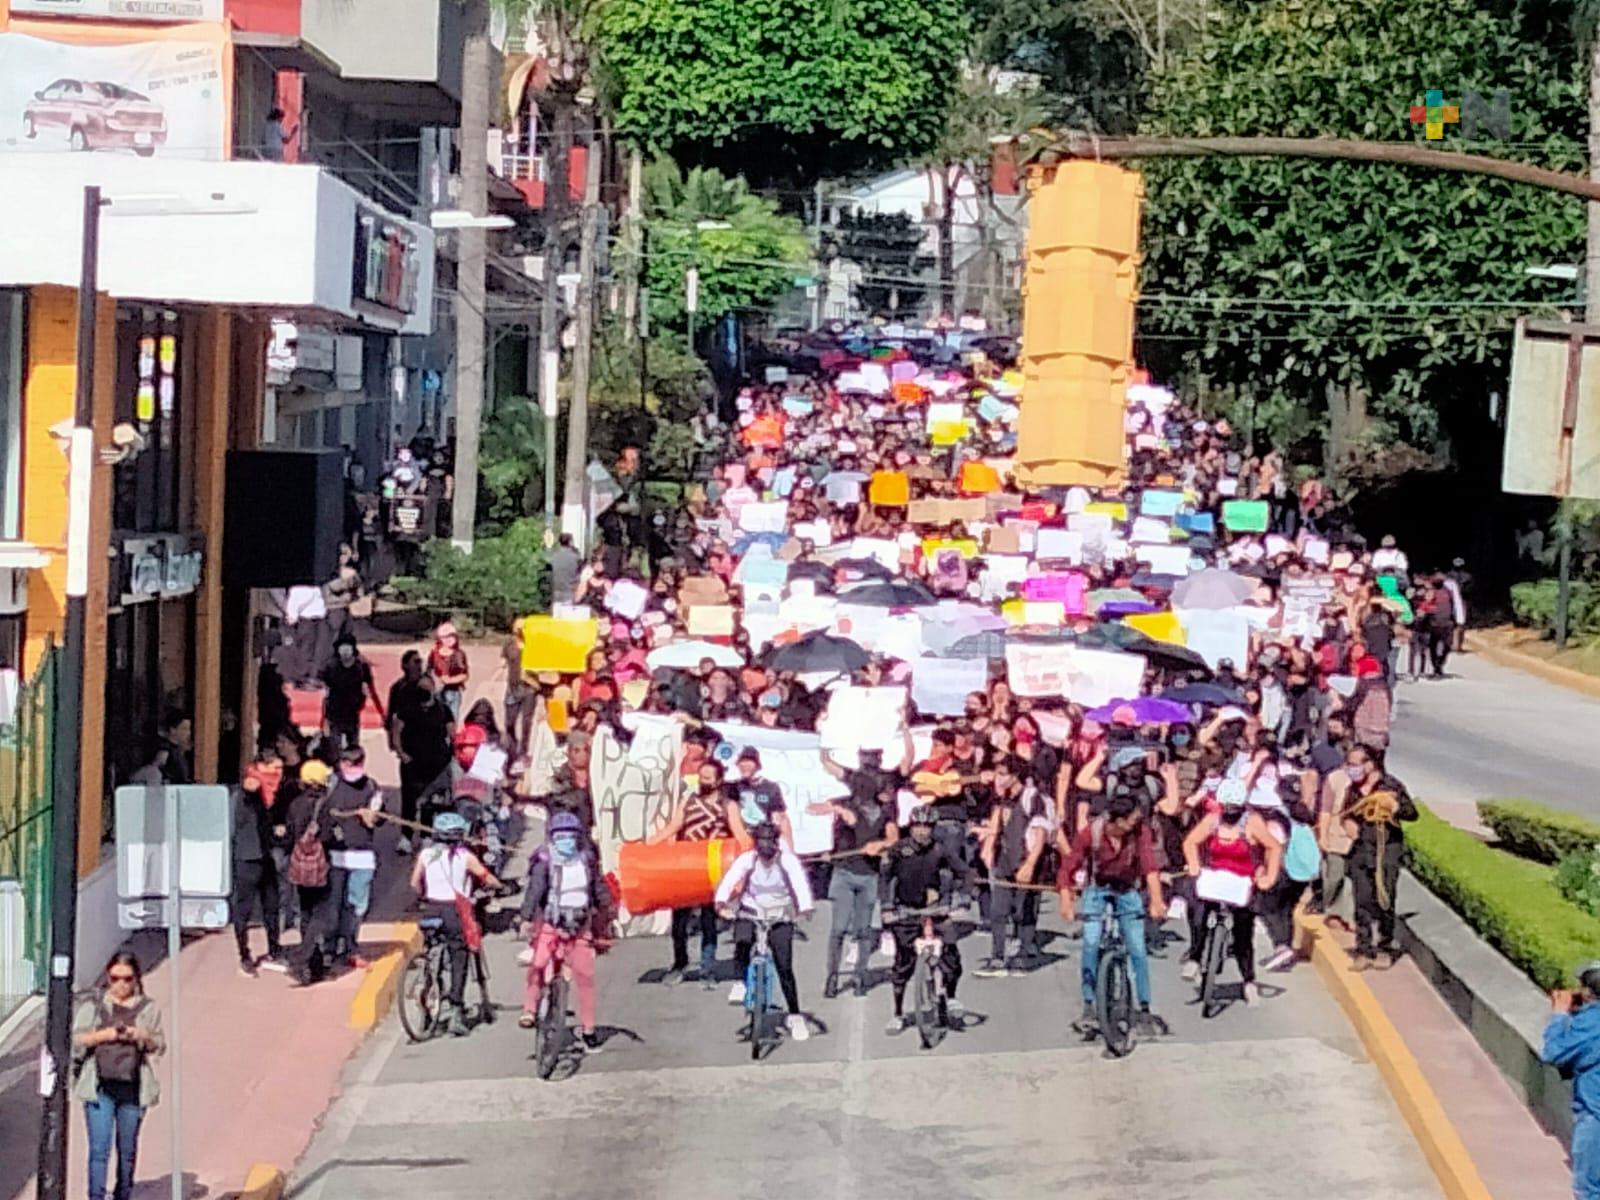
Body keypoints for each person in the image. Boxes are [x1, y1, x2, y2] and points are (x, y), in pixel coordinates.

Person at [1058, 792, 1167, 1035]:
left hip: (1128, 890)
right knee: (1091, 943)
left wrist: (1156, 900)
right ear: (1116, 820)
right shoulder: (1091, 833)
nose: (1135, 824)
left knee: (1138, 949)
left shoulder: (1139, 832)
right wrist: (1066, 901)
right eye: (1130, 820)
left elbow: (1150, 867)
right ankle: (1089, 1006)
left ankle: (1144, 1008)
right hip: (1097, 889)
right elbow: (1067, 867)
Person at [817, 740, 908, 998]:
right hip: (844, 873)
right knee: (838, 929)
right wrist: (826, 740)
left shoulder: (886, 814)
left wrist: (879, 844)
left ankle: (859, 976)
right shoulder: (848, 806)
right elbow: (829, 769)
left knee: (864, 929)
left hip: (869, 875)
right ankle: (832, 977)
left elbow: (893, 839)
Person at [1181, 780, 1282, 1007]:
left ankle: (1248, 981)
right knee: (1197, 913)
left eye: (1235, 809)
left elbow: (1274, 847)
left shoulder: (1252, 823)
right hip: (1215, 877)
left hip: (1243, 880)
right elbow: (1191, 842)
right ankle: (1195, 958)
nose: (1230, 814)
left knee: (1242, 932)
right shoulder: (1213, 820)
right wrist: (1195, 865)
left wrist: (1268, 877)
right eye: (1227, 808)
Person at [73, 951, 165, 1200]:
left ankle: (123, 1194)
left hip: (133, 1089)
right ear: (108, 977)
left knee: (127, 1151)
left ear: (136, 979)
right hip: (99, 1087)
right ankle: (96, 1196)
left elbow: (159, 1045)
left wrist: (141, 1035)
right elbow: (74, 1041)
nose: (121, 985)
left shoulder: (149, 1008)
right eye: (115, 978)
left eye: (127, 979)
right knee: (99, 1151)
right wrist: (104, 1035)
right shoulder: (94, 1005)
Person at [519, 811, 612, 1053]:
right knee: (538, 965)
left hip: (580, 926)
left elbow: (598, 888)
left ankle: (589, 1030)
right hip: (552, 924)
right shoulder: (544, 860)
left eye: (570, 836)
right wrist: (526, 918)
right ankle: (529, 1009)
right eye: (561, 836)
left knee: (585, 978)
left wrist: (608, 909)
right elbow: (535, 890)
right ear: (552, 837)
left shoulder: (587, 860)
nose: (566, 841)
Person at [715, 820, 815, 1042]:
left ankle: (795, 1015)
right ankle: (740, 982)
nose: (766, 846)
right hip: (752, 909)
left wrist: (805, 906)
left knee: (784, 966)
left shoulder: (786, 861)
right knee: (742, 941)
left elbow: (799, 883)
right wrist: (721, 901)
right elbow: (731, 878)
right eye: (761, 841)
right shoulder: (747, 860)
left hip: (779, 914)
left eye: (770, 840)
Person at [411, 811, 502, 1036]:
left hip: (431, 908)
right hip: (455, 910)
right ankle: (456, 1010)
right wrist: (500, 886)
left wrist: (424, 894)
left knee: (432, 949)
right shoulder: (465, 856)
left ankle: (428, 992)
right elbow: (487, 877)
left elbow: (414, 883)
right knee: (458, 957)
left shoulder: (426, 854)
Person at [880, 806, 968, 1034]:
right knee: (902, 965)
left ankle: (951, 997)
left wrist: (962, 898)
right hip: (906, 911)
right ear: (910, 827)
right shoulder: (898, 850)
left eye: (927, 827)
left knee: (952, 957)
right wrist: (887, 907)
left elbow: (965, 873)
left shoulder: (941, 850)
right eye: (918, 826)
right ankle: (898, 1014)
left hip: (936, 909)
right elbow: (885, 879)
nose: (922, 831)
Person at [648, 758, 732, 987]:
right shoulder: (689, 801)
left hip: (712, 871)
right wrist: (647, 846)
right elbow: (673, 827)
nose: (703, 781)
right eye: (701, 776)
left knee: (708, 922)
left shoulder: (727, 806)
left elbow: (737, 836)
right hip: (685, 869)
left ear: (718, 781)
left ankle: (707, 970)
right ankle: (679, 964)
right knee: (679, 922)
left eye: (708, 778)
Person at [1340, 746, 1417, 965]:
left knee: (1385, 899)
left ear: (1369, 764)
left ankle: (1384, 946)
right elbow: (1347, 812)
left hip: (1386, 850)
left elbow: (1411, 813)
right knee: (1362, 900)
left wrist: (1394, 807)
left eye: (1354, 764)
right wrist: (1347, 823)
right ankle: (1363, 948)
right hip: (1361, 851)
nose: (1351, 769)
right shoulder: (1354, 789)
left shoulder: (1390, 786)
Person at [976, 758, 1046, 977]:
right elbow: (997, 822)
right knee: (998, 909)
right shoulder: (1002, 798)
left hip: (1025, 858)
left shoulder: (1031, 797)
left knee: (1024, 908)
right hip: (1004, 858)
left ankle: (1023, 956)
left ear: (1016, 775)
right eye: (997, 773)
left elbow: (1041, 832)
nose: (999, 777)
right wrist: (988, 847)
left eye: (1003, 773)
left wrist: (1030, 864)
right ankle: (997, 957)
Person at [1542, 962, 1600, 1200]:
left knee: (1589, 1190)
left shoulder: (1591, 1023)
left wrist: (1559, 1015)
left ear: (1587, 992)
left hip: (1595, 1115)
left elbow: (1554, 1052)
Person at [326, 746, 383, 967]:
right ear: (341, 764)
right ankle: (330, 947)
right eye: (349, 764)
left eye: (357, 764)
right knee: (333, 904)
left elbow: (376, 819)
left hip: (362, 857)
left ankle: (351, 946)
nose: (353, 769)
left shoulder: (372, 787)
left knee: (357, 905)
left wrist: (371, 816)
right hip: (335, 855)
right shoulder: (330, 784)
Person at [286, 759, 340, 984]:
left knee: (305, 913)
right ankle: (302, 958)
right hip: (319, 866)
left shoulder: (295, 805)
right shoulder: (324, 805)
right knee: (322, 914)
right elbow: (327, 836)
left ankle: (314, 968)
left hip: (300, 866)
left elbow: (290, 833)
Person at [231, 761, 288, 976]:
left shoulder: (267, 799)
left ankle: (274, 947)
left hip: (265, 856)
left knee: (271, 905)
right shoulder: (246, 796)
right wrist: (253, 781)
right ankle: (244, 955)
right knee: (243, 910)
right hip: (246, 859)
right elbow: (249, 788)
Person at [393, 673, 454, 851]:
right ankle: (406, 836)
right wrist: (401, 753)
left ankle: (426, 835)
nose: (425, 692)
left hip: (436, 763)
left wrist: (451, 755)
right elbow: (396, 730)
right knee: (409, 799)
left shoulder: (443, 709)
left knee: (431, 799)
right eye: (421, 689)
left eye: (428, 688)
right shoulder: (407, 709)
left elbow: (452, 732)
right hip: (412, 762)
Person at [320, 633, 383, 752]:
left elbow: (371, 690)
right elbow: (325, 695)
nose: (344, 651)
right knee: (334, 749)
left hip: (353, 714)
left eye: (347, 647)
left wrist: (381, 713)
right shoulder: (331, 667)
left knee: (353, 749)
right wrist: (324, 720)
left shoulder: (361, 668)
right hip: (334, 713)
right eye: (342, 647)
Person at [725, 747, 793, 848]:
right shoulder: (731, 787)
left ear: (757, 765)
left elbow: (781, 817)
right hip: (739, 840)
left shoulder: (771, 787)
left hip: (765, 838)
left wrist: (789, 848)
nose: (745, 766)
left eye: (749, 762)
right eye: (742, 763)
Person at [429, 621, 470, 719]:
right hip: (437, 693)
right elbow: (429, 670)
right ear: (440, 638)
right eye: (446, 637)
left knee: (452, 720)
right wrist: (436, 680)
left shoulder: (459, 654)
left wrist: (450, 680)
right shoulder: (434, 654)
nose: (449, 640)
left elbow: (464, 674)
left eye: (452, 636)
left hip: (454, 692)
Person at [548, 533, 583, 608]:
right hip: (569, 593)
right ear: (570, 542)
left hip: (555, 592)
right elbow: (580, 572)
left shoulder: (553, 556)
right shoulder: (576, 557)